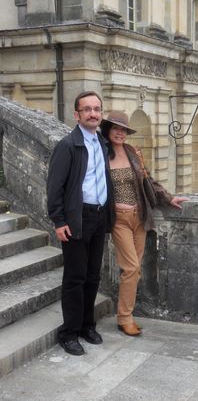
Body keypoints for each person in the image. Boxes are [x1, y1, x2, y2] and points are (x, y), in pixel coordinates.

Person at [100, 111, 189, 337]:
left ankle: (126, 313)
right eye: (115, 128)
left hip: (140, 217)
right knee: (130, 268)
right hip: (118, 219)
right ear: (108, 130)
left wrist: (168, 198)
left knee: (135, 269)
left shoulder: (133, 152)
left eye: (123, 130)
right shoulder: (100, 153)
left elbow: (148, 181)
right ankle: (124, 318)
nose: (119, 133)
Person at [47, 91, 115, 356]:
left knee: (92, 276)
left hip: (99, 217)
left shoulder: (101, 142)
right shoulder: (68, 145)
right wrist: (59, 220)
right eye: (87, 109)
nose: (93, 113)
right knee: (75, 278)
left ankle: (87, 325)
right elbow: (55, 186)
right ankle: (69, 332)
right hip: (77, 217)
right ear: (76, 114)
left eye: (97, 109)